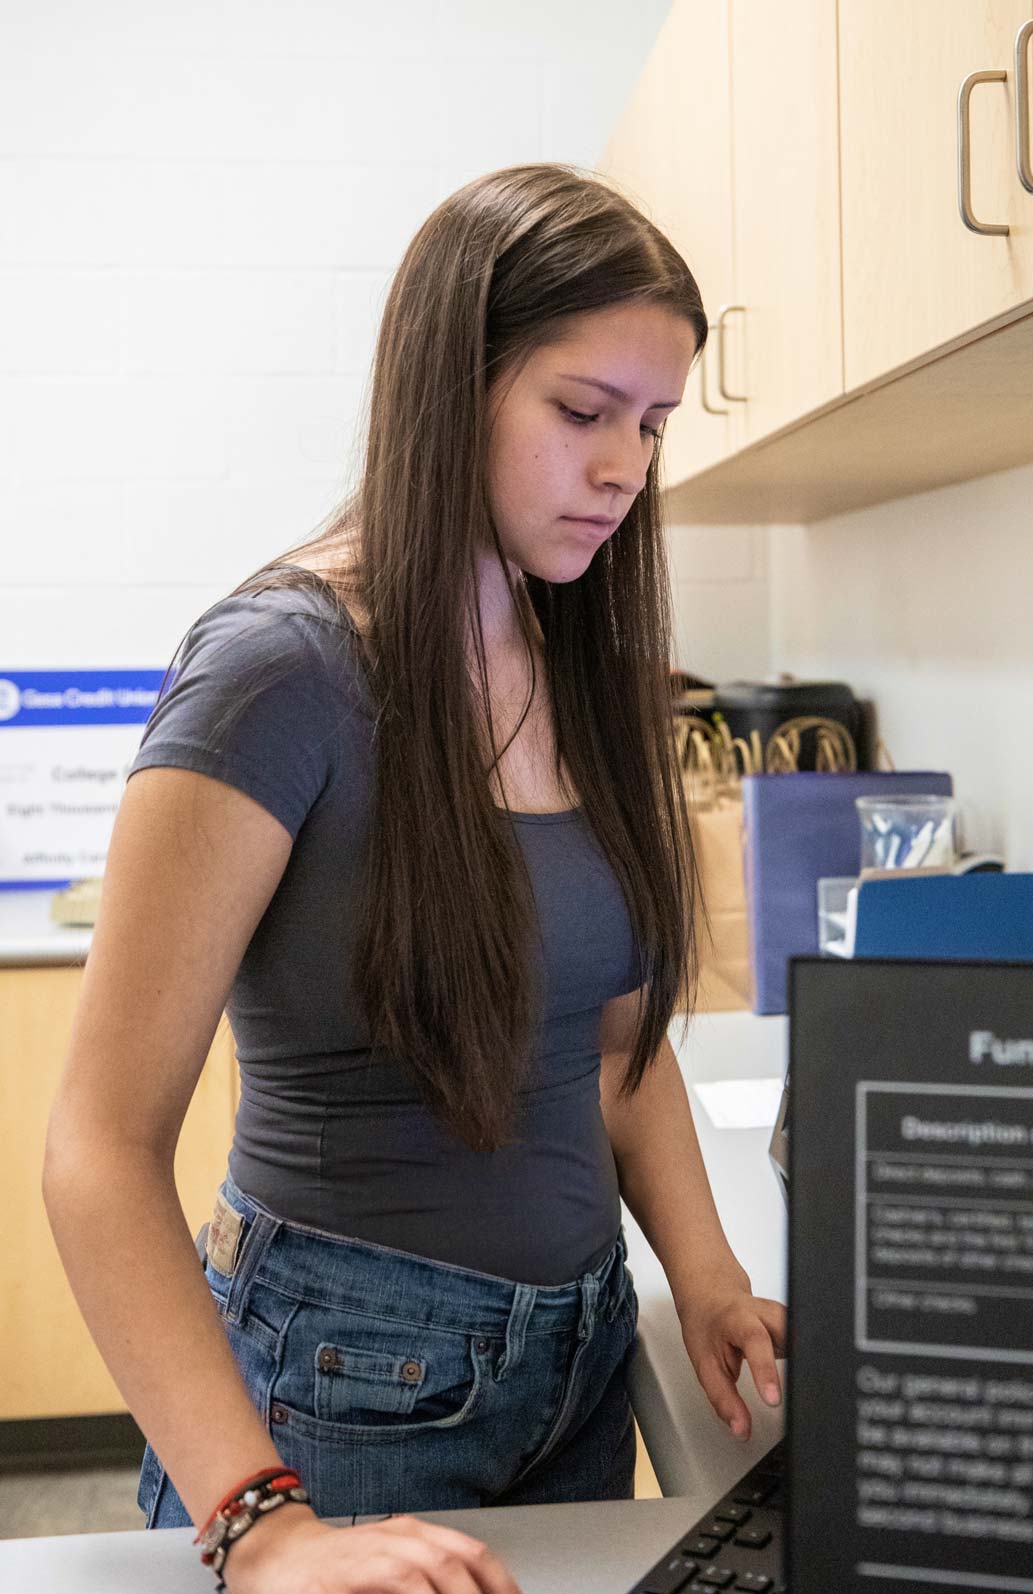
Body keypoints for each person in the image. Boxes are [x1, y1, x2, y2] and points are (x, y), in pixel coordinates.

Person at [43, 162, 787, 1594]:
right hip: (335, 1392)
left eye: (652, 424)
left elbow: (614, 1053)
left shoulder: (581, 657)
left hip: (573, 1366)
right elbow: (100, 1147)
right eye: (583, 411)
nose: (625, 468)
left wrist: (704, 1276)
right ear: (453, 384)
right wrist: (261, 1525)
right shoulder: (281, 671)